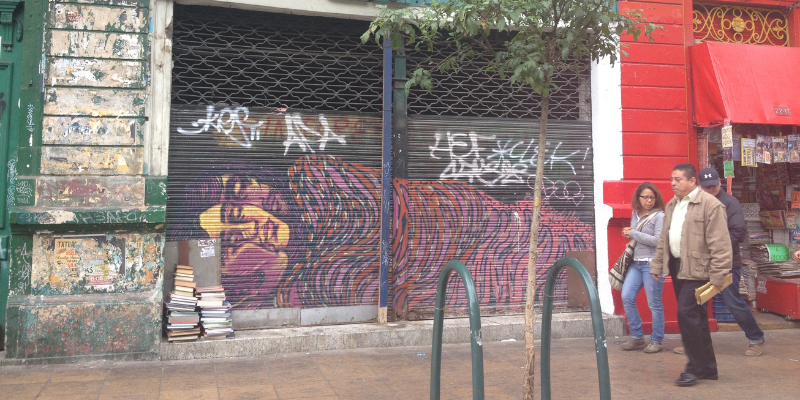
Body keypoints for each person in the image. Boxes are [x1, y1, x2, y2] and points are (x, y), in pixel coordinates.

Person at [649, 164, 732, 387]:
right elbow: (664, 239)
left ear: (693, 181)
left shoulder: (710, 205)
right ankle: (708, 368)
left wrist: (718, 276)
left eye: (678, 179)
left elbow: (721, 244)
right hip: (678, 268)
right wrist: (657, 264)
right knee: (696, 318)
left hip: (700, 270)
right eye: (672, 179)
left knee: (686, 315)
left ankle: (693, 368)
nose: (673, 183)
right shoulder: (673, 204)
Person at [671, 168, 765, 357]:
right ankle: (694, 343)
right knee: (697, 305)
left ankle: (756, 338)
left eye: (713, 186)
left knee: (733, 303)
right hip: (699, 265)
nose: (710, 189)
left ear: (719, 183)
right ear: (699, 185)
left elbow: (738, 232)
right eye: (706, 187)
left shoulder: (730, 203)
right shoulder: (693, 202)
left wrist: (711, 246)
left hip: (726, 264)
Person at [620, 183, 666, 353]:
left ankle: (657, 340)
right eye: (645, 197)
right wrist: (627, 234)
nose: (649, 200)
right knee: (626, 296)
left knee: (654, 303)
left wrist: (633, 233)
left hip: (652, 263)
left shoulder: (659, 216)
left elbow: (657, 240)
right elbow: (636, 237)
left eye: (652, 197)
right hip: (636, 262)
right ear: (638, 198)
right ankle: (637, 335)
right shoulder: (635, 214)